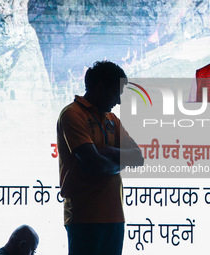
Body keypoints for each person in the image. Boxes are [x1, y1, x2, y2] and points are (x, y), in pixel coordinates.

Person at [57, 61, 144, 255]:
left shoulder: (112, 119)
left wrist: (109, 152)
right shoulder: (72, 114)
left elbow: (138, 158)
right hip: (84, 216)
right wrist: (117, 160)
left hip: (114, 216)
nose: (119, 101)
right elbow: (95, 164)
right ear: (101, 88)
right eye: (116, 93)